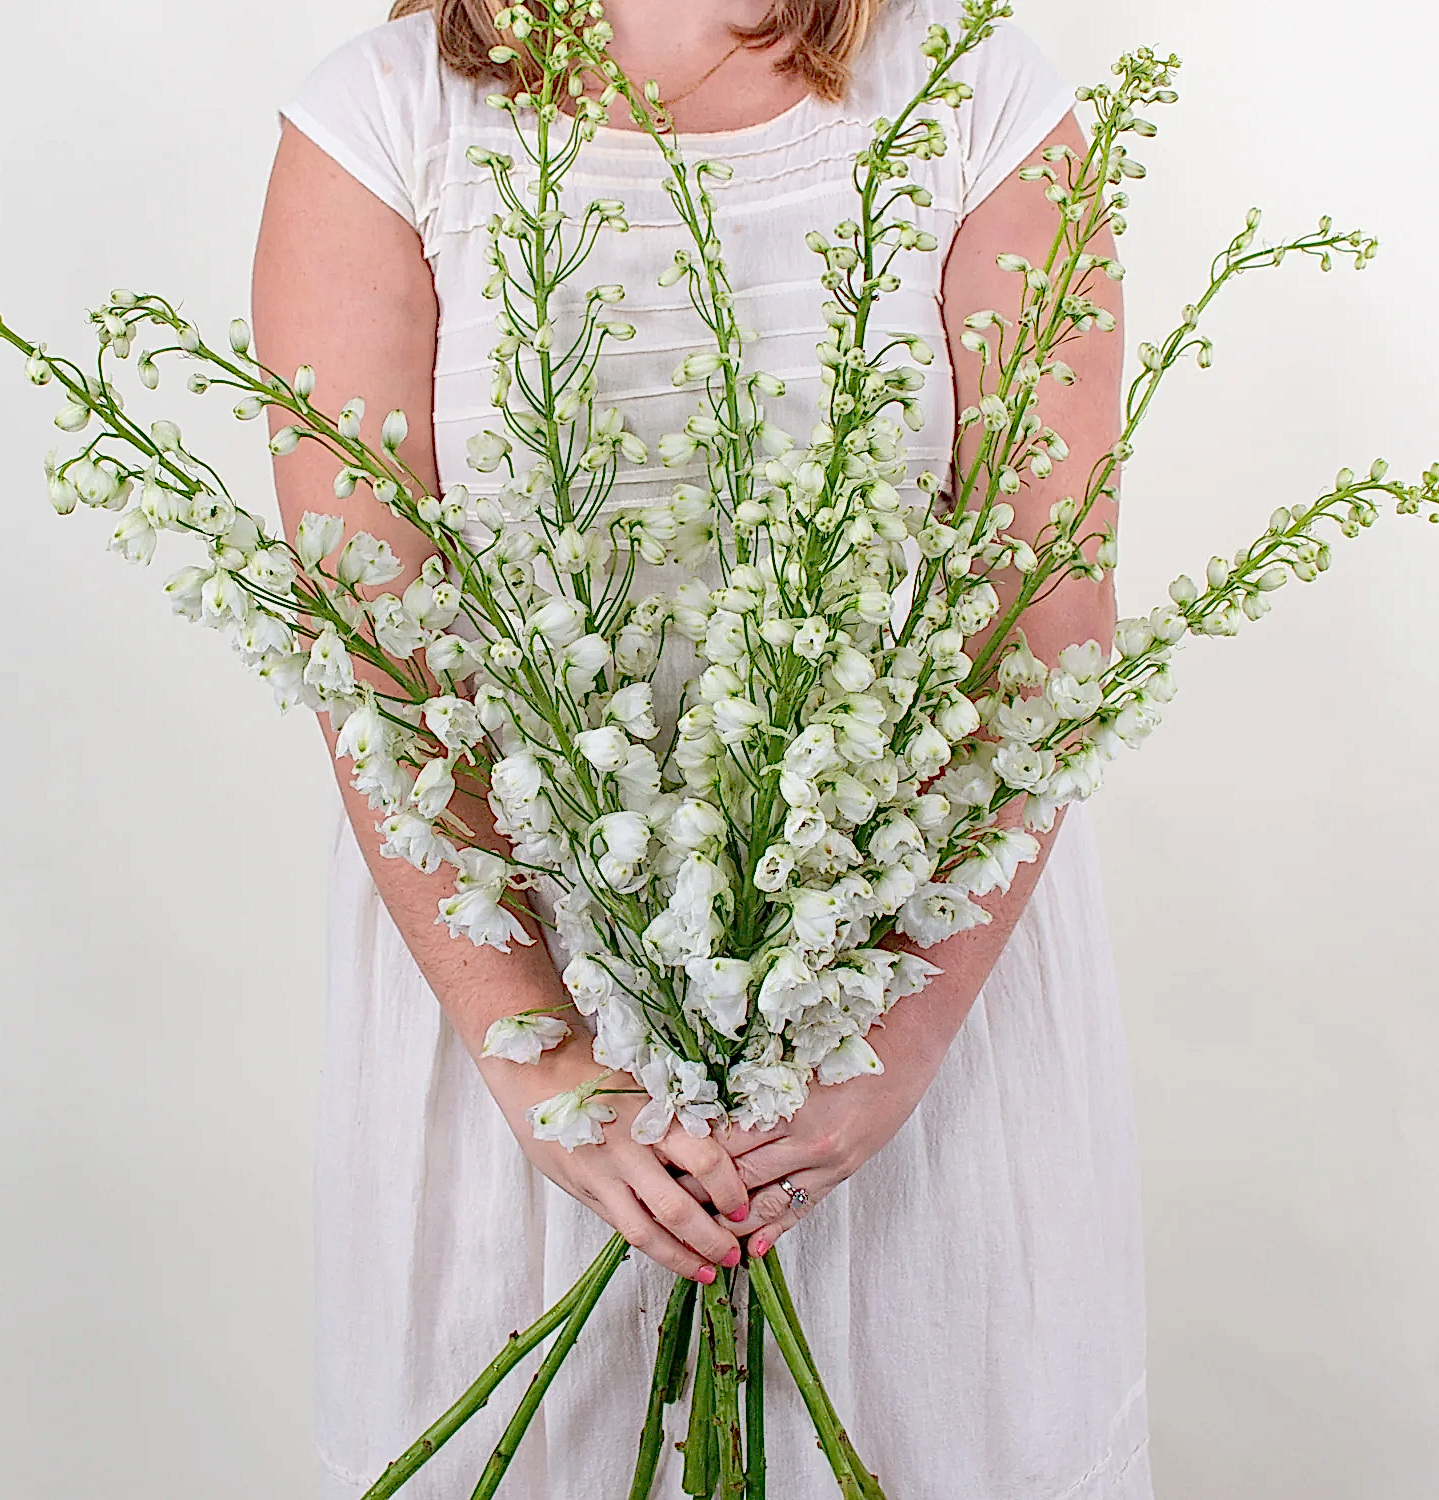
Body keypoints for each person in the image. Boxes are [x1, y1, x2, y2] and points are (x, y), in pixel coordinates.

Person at [252, 1, 1151, 1494]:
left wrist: (898, 1034)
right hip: (532, 999)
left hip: (911, 973)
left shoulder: (977, 90)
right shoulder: (380, 119)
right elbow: (376, 645)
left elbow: (1045, 599)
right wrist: (541, 1064)